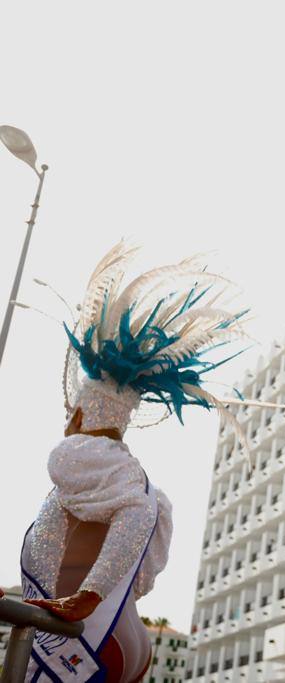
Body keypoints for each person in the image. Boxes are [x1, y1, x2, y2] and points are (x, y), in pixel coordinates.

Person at [19, 242, 250, 682]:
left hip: (83, 637)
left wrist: (88, 594)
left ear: (81, 413)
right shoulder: (138, 480)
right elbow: (141, 571)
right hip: (122, 636)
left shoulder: (81, 457)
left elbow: (134, 513)